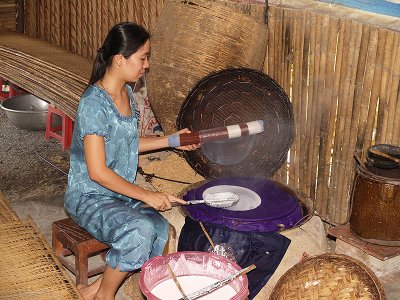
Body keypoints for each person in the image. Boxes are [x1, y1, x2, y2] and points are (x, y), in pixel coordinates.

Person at [64, 22, 198, 300]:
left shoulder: (127, 95)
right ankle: (104, 296)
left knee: (160, 230)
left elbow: (127, 145)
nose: (146, 65)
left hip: (118, 193)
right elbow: (98, 171)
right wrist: (147, 196)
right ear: (120, 59)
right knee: (139, 231)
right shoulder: (93, 103)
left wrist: (173, 140)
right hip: (89, 196)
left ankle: (91, 290)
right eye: (143, 57)